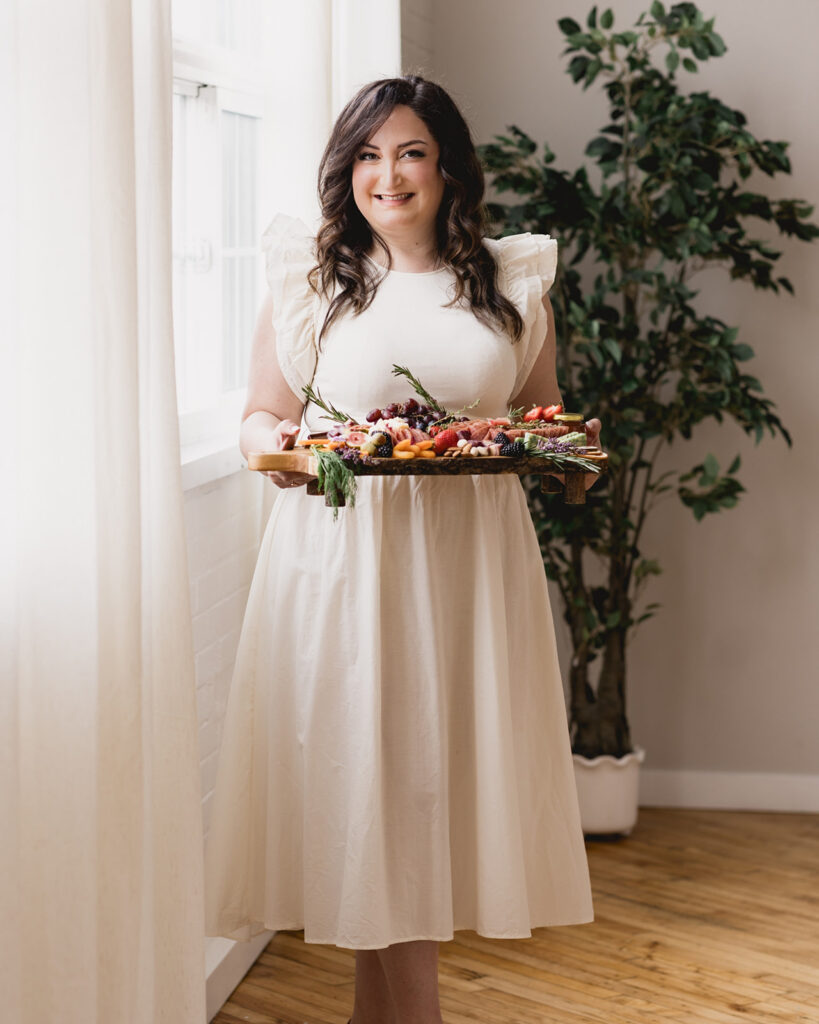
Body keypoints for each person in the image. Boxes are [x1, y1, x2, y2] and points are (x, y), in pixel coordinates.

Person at [204, 75, 600, 1024]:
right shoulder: (309, 279)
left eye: (411, 151)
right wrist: (273, 452)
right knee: (371, 787)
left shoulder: (511, 279)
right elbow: (264, 415)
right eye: (370, 154)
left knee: (430, 790)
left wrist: (566, 457)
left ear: (447, 166)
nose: (390, 174)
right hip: (342, 566)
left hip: (470, 571)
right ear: (347, 171)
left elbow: (542, 414)